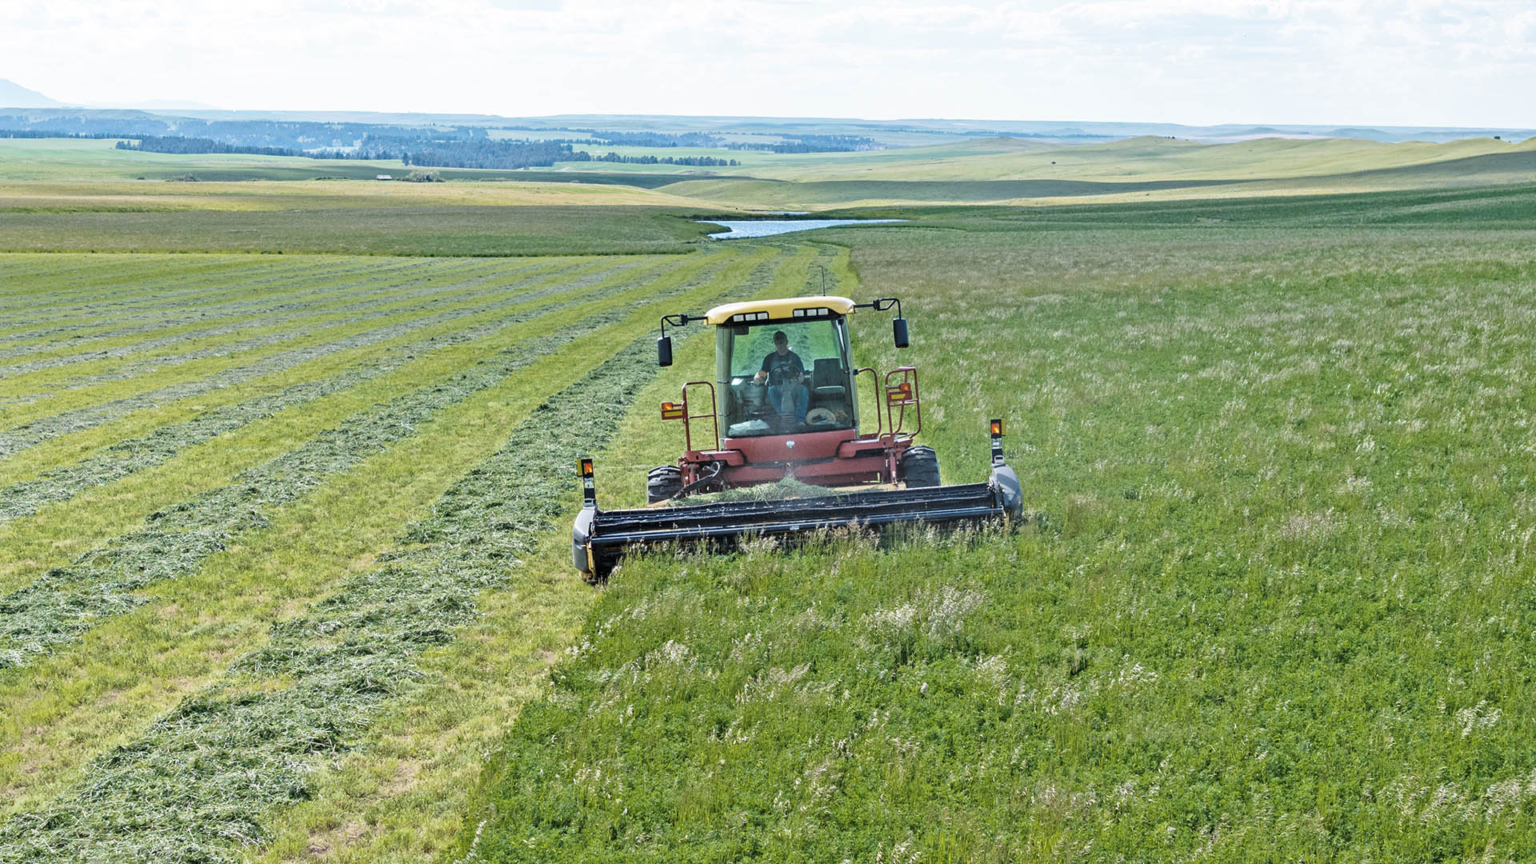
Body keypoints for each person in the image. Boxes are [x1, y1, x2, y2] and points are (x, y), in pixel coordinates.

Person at [753, 330, 808, 426]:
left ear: (786, 342)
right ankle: (784, 417)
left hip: (793, 386)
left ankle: (800, 420)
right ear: (774, 344)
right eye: (777, 343)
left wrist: (800, 379)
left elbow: (801, 375)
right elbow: (762, 373)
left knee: (803, 390)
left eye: (781, 342)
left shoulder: (795, 358)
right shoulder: (769, 358)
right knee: (771, 391)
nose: (779, 345)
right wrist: (758, 377)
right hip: (776, 387)